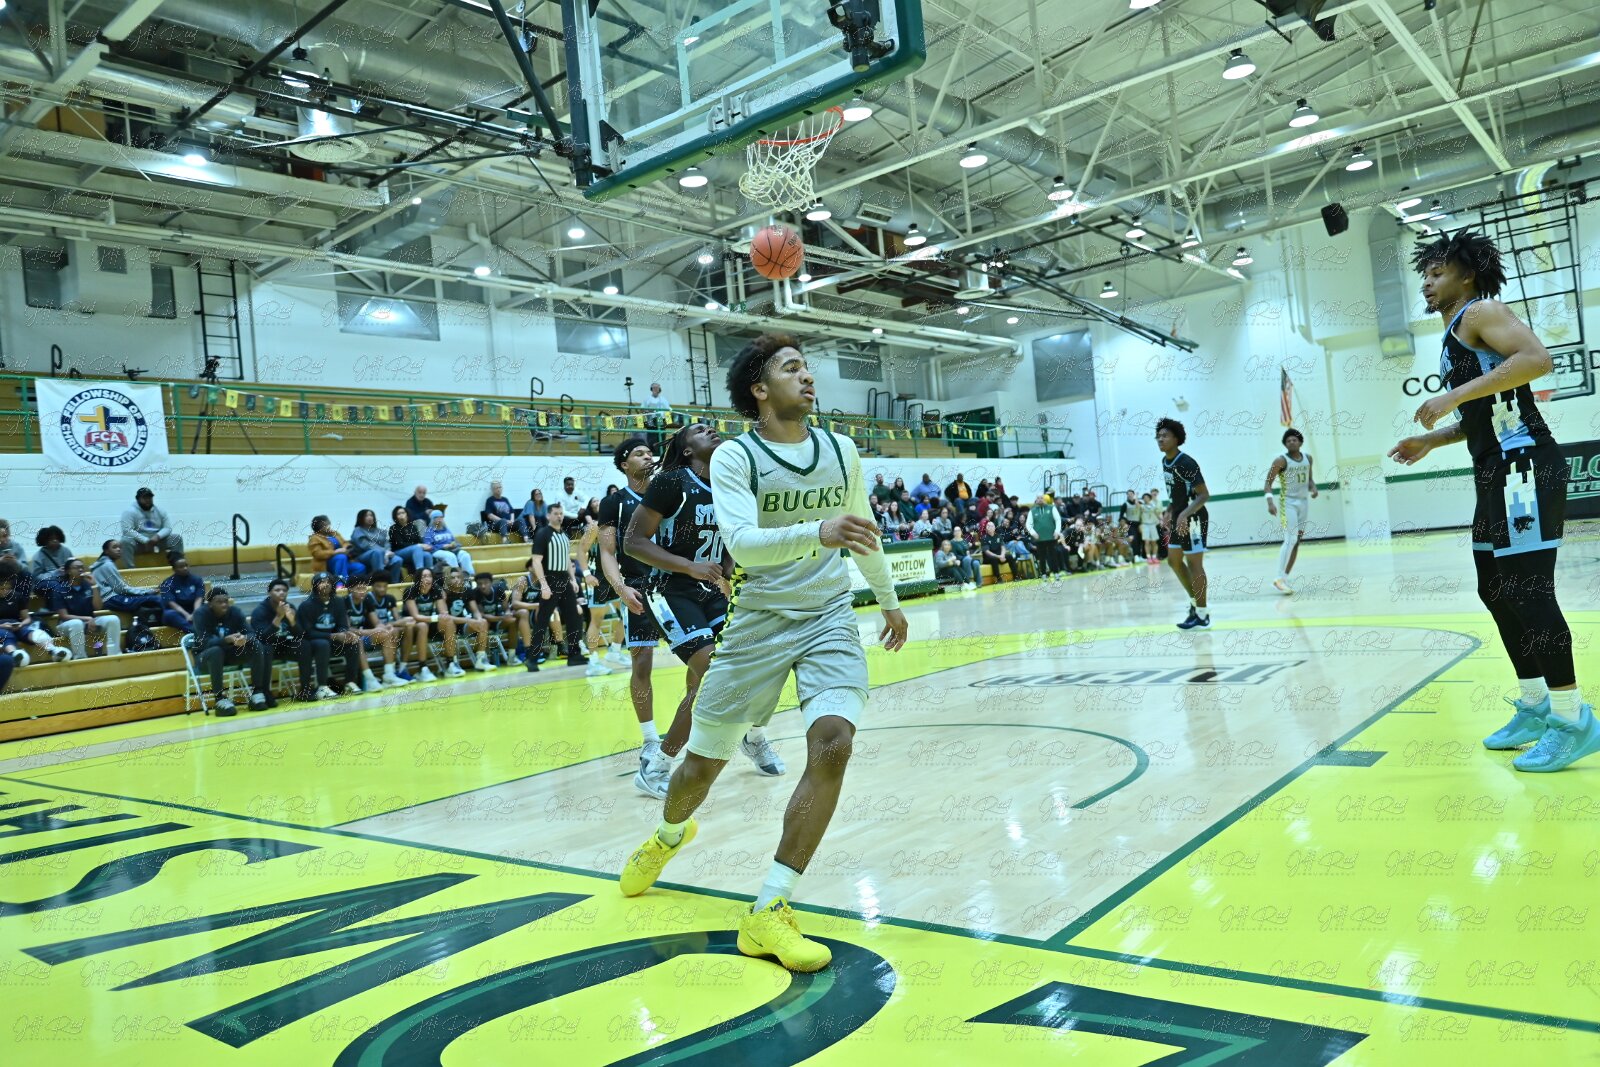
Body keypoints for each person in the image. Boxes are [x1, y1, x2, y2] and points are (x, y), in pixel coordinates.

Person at [618, 332, 908, 974]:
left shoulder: (841, 449)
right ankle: (668, 835)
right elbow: (744, 544)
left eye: (808, 368)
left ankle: (769, 908)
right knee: (701, 769)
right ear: (759, 389)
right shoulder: (735, 458)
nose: (808, 377)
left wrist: (888, 600)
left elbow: (861, 529)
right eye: (792, 368)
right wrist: (820, 530)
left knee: (833, 741)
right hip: (756, 623)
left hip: (828, 614)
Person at [1391, 228, 1593, 771]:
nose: (1427, 283)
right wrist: (1433, 440)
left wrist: (1452, 395)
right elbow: (1487, 411)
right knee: (1495, 589)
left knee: (1529, 591)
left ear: (1467, 275)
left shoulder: (1481, 312)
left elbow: (1536, 359)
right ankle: (1535, 703)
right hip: (1495, 471)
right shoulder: (1455, 333)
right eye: (1424, 275)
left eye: (1437, 273)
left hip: (1524, 465)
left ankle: (1573, 719)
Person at [627, 422, 780, 775]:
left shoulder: (729, 487)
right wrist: (689, 566)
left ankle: (752, 736)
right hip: (668, 591)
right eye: (699, 430)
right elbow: (633, 541)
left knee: (757, 665)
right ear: (687, 450)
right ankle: (658, 766)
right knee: (715, 678)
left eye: (710, 426)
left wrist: (728, 568)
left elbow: (731, 541)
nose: (710, 429)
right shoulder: (671, 482)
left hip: (709, 592)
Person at [597, 436, 672, 797]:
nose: (648, 456)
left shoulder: (669, 490)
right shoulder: (614, 502)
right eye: (639, 453)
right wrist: (621, 588)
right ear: (624, 465)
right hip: (639, 587)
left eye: (650, 452)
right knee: (641, 664)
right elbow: (607, 552)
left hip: (675, 584)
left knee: (705, 659)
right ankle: (650, 740)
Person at [1157, 418, 1210, 629]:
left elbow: (1204, 495)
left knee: (1194, 564)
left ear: (1176, 438)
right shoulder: (1165, 462)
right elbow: (1178, 495)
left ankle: (1203, 615)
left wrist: (1184, 515)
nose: (1160, 439)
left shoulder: (1186, 462)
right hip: (1180, 516)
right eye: (1158, 436)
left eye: (1165, 436)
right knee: (1173, 561)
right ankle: (1195, 604)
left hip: (1194, 518)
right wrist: (1169, 511)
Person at [527, 502, 586, 671]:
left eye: (561, 513)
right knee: (543, 620)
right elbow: (536, 561)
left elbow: (567, 559)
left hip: (564, 580)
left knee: (574, 617)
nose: (559, 516)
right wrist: (544, 585)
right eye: (555, 513)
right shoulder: (543, 534)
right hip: (550, 580)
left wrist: (573, 579)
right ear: (548, 515)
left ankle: (574, 655)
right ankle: (532, 659)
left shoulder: (564, 534)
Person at [1264, 428, 1317, 594]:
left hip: (1303, 503)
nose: (1291, 442)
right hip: (1288, 503)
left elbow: (1309, 479)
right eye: (1288, 441)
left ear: (1300, 442)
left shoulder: (1308, 458)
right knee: (1290, 538)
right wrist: (1270, 502)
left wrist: (1314, 488)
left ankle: (1284, 578)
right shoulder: (1280, 461)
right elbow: (1268, 483)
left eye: (1294, 440)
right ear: (1285, 444)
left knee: (1297, 541)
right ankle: (1278, 578)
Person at [295, 571, 364, 698]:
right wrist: (332, 636)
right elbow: (307, 632)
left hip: (333, 640)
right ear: (315, 586)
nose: (325, 584)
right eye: (321, 582)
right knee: (323, 644)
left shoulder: (338, 602)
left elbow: (342, 624)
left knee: (354, 641)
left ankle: (350, 682)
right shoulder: (306, 605)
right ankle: (322, 687)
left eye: (328, 582)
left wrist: (345, 633)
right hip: (313, 642)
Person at [191, 587, 257, 716]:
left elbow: (252, 633)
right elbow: (205, 643)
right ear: (210, 603)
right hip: (204, 658)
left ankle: (258, 692)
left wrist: (244, 638)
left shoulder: (235, 612)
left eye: (226, 601)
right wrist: (226, 640)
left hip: (227, 655)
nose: (224, 604)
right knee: (216, 651)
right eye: (219, 602)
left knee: (256, 644)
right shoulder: (200, 614)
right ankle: (219, 699)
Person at [248, 578, 305, 709]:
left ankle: (305, 689)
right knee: (266, 648)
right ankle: (264, 691)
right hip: (266, 648)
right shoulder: (260, 611)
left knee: (305, 645)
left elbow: (300, 634)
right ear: (269, 593)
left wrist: (292, 620)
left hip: (284, 646)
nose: (281, 592)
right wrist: (279, 617)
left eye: (284, 590)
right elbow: (262, 637)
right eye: (277, 590)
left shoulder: (290, 607)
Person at [49, 559, 121, 660]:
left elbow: (98, 607)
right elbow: (63, 616)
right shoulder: (60, 588)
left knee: (113, 619)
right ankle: (80, 658)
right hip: (66, 625)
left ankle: (114, 654)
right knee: (76, 623)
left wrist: (94, 586)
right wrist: (87, 619)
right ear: (68, 571)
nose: (80, 570)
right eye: (76, 567)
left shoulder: (88, 585)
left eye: (82, 567)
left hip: (89, 622)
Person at [0, 561, 70, 664]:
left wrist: (21, 624)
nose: (5, 591)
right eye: (2, 588)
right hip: (1, 628)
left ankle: (54, 651)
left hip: (17, 625)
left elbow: (26, 618)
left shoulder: (17, 596)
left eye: (7, 588)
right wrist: (3, 625)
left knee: (34, 632)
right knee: (5, 634)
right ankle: (15, 654)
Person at [344, 574, 406, 688]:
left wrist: (383, 627)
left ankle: (389, 675)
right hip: (346, 640)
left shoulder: (366, 600)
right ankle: (369, 679)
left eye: (364, 588)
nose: (362, 592)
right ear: (350, 589)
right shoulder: (344, 602)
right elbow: (347, 629)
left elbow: (376, 622)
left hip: (363, 636)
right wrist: (371, 631)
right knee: (357, 639)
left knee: (387, 634)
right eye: (358, 589)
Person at [364, 573, 419, 684]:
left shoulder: (390, 598)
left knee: (408, 627)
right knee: (393, 630)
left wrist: (400, 622)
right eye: (379, 586)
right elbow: (376, 624)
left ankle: (402, 668)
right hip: (372, 632)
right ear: (372, 587)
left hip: (388, 629)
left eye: (385, 586)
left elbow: (397, 618)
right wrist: (395, 623)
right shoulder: (367, 599)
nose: (382, 589)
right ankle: (390, 672)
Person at [120, 487, 184, 564]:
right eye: (144, 498)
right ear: (138, 499)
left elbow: (168, 528)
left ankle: (178, 564)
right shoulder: (129, 512)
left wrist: (157, 536)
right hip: (139, 542)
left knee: (176, 538)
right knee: (125, 541)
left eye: (149, 497)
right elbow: (127, 530)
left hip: (157, 540)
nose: (148, 500)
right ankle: (130, 568)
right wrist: (146, 540)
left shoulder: (160, 510)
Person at [310, 515, 383, 582]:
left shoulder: (334, 533)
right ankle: (340, 582)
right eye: (325, 525)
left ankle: (351, 584)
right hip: (326, 564)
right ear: (319, 527)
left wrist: (346, 548)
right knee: (341, 557)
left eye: (328, 524)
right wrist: (335, 552)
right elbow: (317, 554)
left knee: (360, 567)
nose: (328, 526)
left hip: (344, 560)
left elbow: (345, 542)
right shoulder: (315, 538)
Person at [473, 572, 523, 665]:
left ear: (491, 582)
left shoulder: (499, 590)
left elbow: (506, 608)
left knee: (512, 621)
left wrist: (508, 613)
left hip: (497, 620)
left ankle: (512, 656)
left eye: (486, 583)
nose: (483, 586)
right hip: (482, 623)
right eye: (480, 584)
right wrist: (502, 618)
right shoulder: (475, 593)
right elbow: (482, 615)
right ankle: (483, 659)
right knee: (485, 622)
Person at [401, 568, 441, 682]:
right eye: (424, 576)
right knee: (422, 625)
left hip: (427, 625)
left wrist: (443, 617)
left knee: (447, 622)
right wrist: (437, 618)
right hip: (410, 626)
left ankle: (452, 663)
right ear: (418, 579)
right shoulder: (410, 590)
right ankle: (422, 667)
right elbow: (416, 616)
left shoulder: (436, 590)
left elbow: (443, 612)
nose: (427, 579)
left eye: (429, 576)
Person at [351, 509, 408, 582]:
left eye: (371, 515)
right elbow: (366, 546)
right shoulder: (358, 530)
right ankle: (379, 581)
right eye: (366, 516)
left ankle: (394, 584)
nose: (369, 517)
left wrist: (387, 552)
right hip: (363, 555)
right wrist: (384, 552)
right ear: (361, 518)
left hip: (383, 554)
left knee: (398, 560)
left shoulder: (381, 531)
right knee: (377, 552)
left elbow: (387, 543)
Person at [158, 552, 206, 633]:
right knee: (169, 614)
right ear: (174, 569)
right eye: (181, 567)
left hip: (195, 610)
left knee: (208, 608)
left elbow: (199, 598)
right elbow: (172, 603)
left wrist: (195, 614)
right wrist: (186, 615)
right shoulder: (167, 583)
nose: (185, 568)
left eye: (186, 565)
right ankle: (194, 632)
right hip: (178, 613)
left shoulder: (197, 579)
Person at [1028, 493, 1067, 583]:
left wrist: (1057, 531)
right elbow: (1028, 524)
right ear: (1036, 500)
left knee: (1053, 556)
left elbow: (1058, 520)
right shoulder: (1032, 511)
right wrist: (1033, 533)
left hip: (1051, 537)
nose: (1040, 499)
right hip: (1039, 538)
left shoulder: (1051, 508)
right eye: (1038, 498)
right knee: (1041, 557)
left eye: (1041, 498)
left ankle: (1056, 573)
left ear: (1045, 499)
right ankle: (1044, 575)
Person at [423, 511, 475, 576]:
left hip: (450, 549)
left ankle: (470, 575)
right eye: (437, 518)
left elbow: (454, 541)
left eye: (441, 517)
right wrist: (442, 546)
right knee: (450, 556)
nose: (439, 519)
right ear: (432, 519)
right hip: (436, 551)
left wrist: (454, 544)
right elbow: (428, 546)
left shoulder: (446, 529)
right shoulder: (429, 531)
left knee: (465, 555)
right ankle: (456, 576)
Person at [387, 505, 433, 577]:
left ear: (407, 514)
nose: (401, 515)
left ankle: (431, 576)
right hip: (398, 552)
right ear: (395, 517)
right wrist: (417, 545)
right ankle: (419, 574)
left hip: (414, 551)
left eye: (403, 513)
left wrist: (424, 546)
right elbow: (400, 544)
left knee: (427, 555)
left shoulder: (412, 527)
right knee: (417, 548)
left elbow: (419, 541)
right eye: (398, 514)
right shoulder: (393, 528)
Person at [641, 380, 672, 452]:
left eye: (657, 388)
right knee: (652, 437)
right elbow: (642, 409)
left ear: (659, 389)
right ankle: (652, 452)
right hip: (651, 420)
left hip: (661, 420)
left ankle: (661, 453)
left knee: (661, 436)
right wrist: (648, 411)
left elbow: (669, 410)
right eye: (654, 388)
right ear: (651, 389)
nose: (655, 389)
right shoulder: (647, 399)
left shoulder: (663, 399)